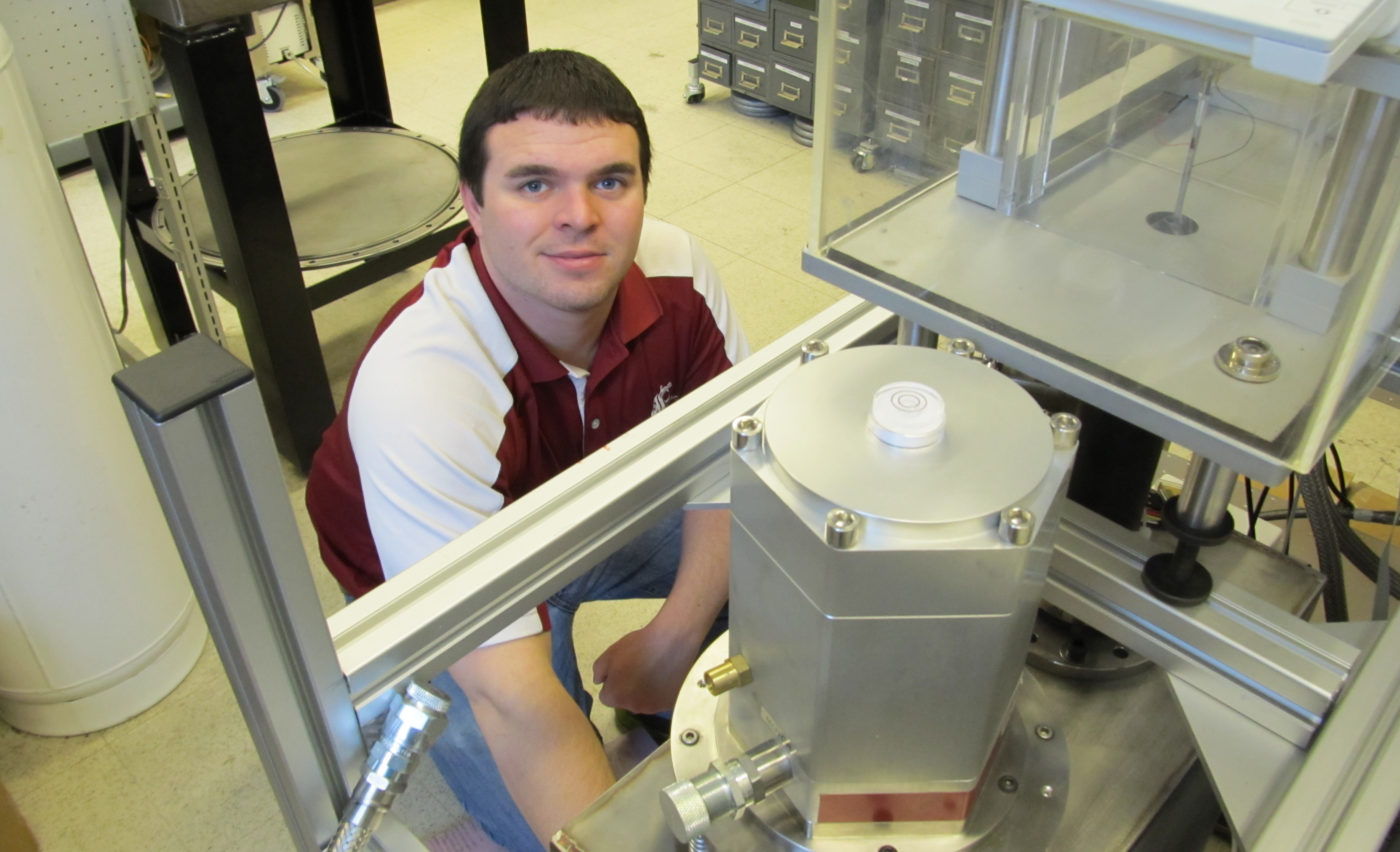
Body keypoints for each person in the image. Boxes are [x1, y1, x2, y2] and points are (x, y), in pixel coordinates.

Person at [305, 49, 748, 850]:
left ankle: (660, 690)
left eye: (611, 181)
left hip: (581, 509)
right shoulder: (425, 383)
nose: (579, 216)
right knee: (565, 819)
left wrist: (675, 636)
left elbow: (730, 459)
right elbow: (514, 699)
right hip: (439, 576)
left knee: (781, 541)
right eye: (533, 184)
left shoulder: (679, 272)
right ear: (471, 205)